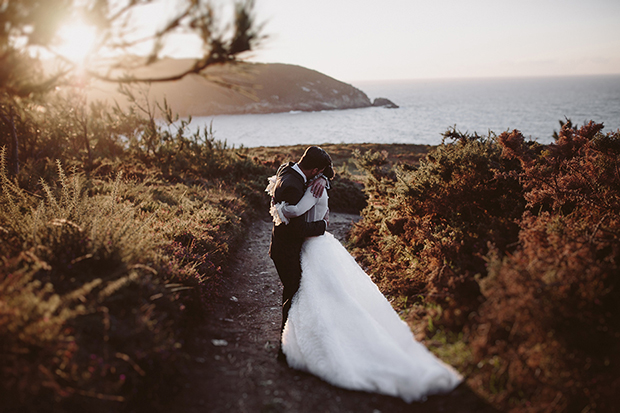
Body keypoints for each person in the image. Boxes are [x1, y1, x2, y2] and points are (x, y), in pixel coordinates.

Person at [266, 160, 462, 403]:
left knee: (312, 293)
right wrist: (321, 182)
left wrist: (284, 211)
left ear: (316, 172)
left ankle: (310, 345)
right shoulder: (314, 182)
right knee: (319, 293)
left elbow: (296, 213)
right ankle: (301, 342)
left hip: (313, 243)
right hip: (314, 245)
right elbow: (297, 184)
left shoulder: (313, 188)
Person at [267, 146, 333, 362]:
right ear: (314, 169)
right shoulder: (294, 188)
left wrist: (323, 178)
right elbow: (296, 228)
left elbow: (323, 174)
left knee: (302, 293)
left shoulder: (288, 168)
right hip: (286, 250)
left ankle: (298, 342)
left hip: (286, 246)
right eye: (319, 172)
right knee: (294, 296)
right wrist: (322, 225)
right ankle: (286, 348)